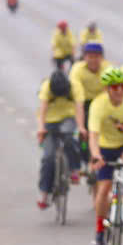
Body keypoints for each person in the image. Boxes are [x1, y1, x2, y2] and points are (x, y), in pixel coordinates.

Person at [86, 67, 123, 245]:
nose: (119, 90)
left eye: (122, 86)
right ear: (107, 89)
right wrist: (96, 155)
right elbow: (93, 135)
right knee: (103, 190)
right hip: (105, 147)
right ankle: (99, 231)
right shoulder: (98, 105)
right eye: (114, 87)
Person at [35, 68, 85, 208]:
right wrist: (41, 128)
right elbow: (42, 111)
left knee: (70, 138)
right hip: (49, 121)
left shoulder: (75, 86)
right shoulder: (46, 87)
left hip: (68, 118)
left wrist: (81, 127)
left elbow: (79, 108)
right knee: (48, 158)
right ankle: (44, 194)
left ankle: (75, 169)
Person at [68, 42, 107, 125]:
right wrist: (81, 127)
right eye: (90, 57)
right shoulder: (77, 69)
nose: (93, 60)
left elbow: (109, 93)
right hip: (83, 103)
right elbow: (78, 97)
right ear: (84, 57)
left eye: (96, 57)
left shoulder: (107, 69)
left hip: (101, 103)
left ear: (102, 57)